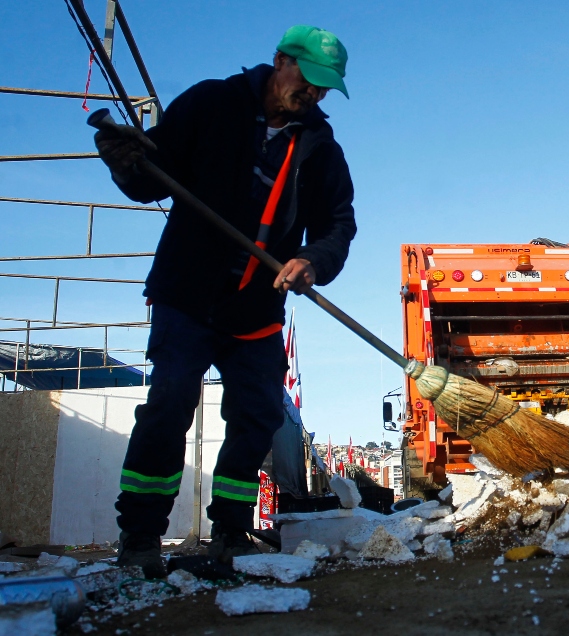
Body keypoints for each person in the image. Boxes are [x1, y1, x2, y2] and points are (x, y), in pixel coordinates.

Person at [94, 25, 357, 577]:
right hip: (188, 295)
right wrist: (126, 162)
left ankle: (232, 532)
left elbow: (338, 225)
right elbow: (152, 179)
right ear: (281, 61)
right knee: (169, 404)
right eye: (308, 79)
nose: (313, 93)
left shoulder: (320, 147)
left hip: (256, 308)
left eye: (324, 87)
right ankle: (140, 536)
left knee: (257, 416)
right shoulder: (213, 103)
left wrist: (312, 260)